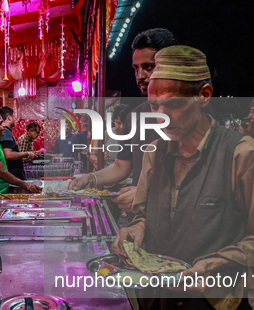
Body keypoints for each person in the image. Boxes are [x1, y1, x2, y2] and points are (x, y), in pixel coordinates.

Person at [112, 46, 254, 310]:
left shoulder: (243, 153)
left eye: (173, 105)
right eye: (154, 106)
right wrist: (133, 232)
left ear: (204, 95)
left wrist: (217, 263)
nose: (161, 117)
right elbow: (144, 213)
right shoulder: (155, 154)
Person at [69, 28, 178, 211]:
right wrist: (91, 178)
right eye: (136, 69)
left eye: (149, 67)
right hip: (143, 220)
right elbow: (121, 166)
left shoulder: (190, 116)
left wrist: (146, 194)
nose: (140, 76)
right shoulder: (134, 116)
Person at [0, 111, 42, 200]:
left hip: (3, 191)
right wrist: (24, 184)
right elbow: (1, 172)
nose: (4, 126)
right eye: (0, 124)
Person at [0, 106, 36, 180]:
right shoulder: (5, 132)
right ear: (9, 117)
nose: (15, 119)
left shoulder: (6, 132)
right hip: (13, 175)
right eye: (14, 117)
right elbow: (8, 155)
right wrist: (27, 154)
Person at [89, 104, 130, 169]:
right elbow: (92, 156)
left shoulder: (135, 136)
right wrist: (100, 158)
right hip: (110, 177)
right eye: (118, 123)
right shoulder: (106, 134)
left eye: (124, 123)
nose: (122, 127)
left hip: (130, 178)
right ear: (114, 121)